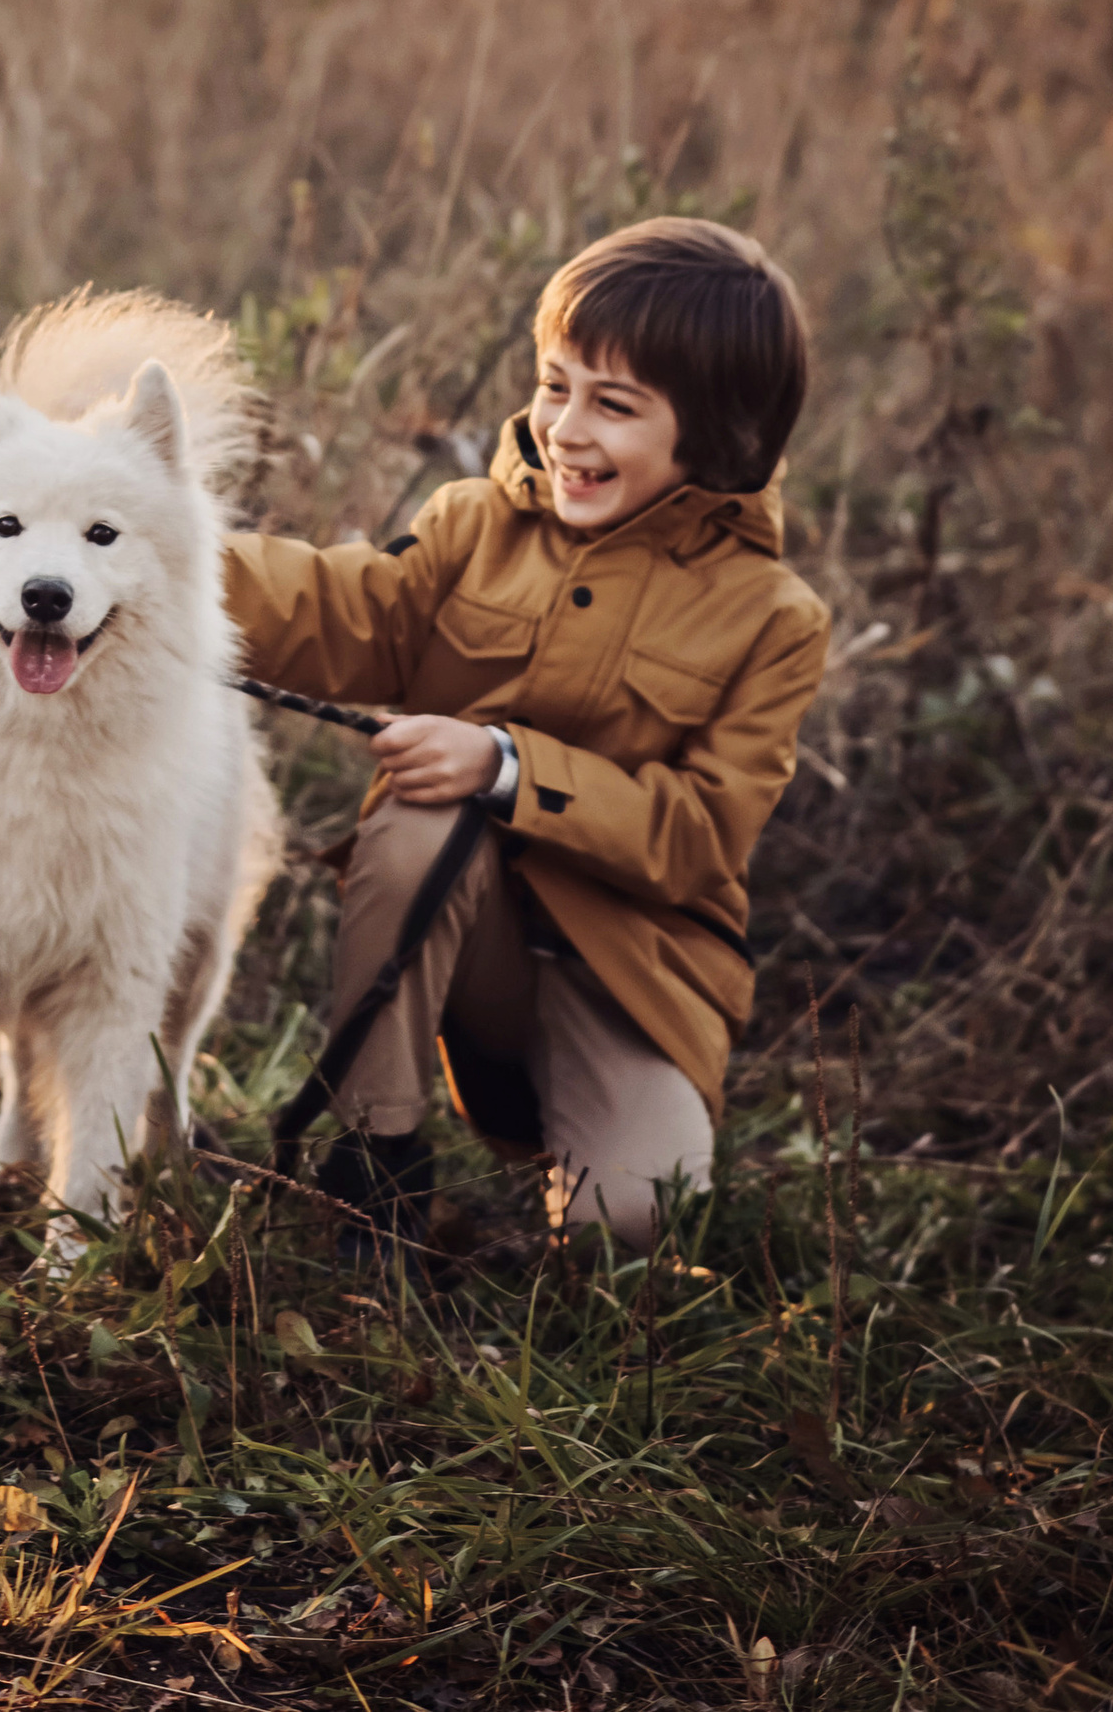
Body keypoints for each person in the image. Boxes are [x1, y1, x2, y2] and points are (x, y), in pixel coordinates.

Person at [226, 216, 830, 1254]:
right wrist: (158, 553)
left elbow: (696, 837)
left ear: (718, 433)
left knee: (636, 1223)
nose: (565, 429)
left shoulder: (772, 617)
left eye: (614, 406)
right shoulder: (474, 523)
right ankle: (378, 1163)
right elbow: (341, 606)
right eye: (554, 385)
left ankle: (579, 1145)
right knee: (422, 811)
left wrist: (506, 767)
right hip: (462, 938)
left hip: (629, 971)